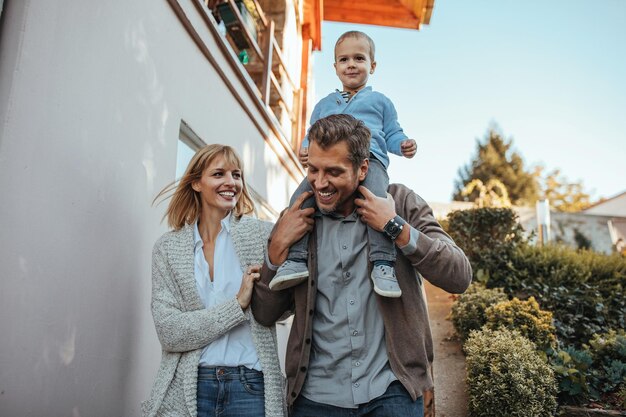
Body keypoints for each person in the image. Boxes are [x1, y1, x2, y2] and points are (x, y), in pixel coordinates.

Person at [252, 114, 472, 417]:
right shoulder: (294, 219)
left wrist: (395, 227)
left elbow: (459, 275)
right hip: (313, 400)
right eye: (312, 170)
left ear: (363, 168)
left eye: (333, 171)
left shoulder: (400, 203)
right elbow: (265, 313)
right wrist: (276, 248)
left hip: (391, 393)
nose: (320, 182)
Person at [269, 30, 418, 298]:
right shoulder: (325, 104)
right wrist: (305, 149)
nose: (351, 64)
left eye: (359, 58)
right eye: (344, 59)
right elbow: (311, 133)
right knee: (300, 199)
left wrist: (403, 144)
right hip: (329, 165)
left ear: (372, 65)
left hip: (369, 160)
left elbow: (393, 132)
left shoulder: (380, 101)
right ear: (335, 67)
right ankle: (296, 259)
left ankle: (383, 263)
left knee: (375, 202)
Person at [142, 144, 286, 417]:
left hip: (251, 387)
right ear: (196, 182)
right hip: (189, 386)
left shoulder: (262, 236)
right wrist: (236, 305)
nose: (231, 182)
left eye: (237, 174)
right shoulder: (167, 248)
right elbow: (170, 332)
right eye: (219, 174)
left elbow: (285, 305)